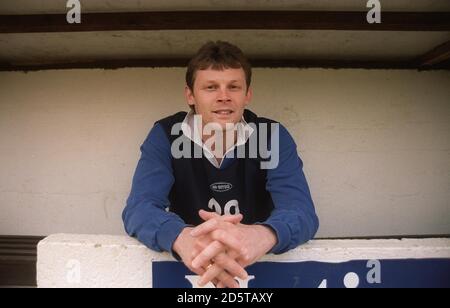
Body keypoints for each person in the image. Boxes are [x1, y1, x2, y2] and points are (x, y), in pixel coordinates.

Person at [122, 41, 319, 288]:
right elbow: (139, 207)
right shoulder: (165, 134)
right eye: (211, 87)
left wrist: (259, 236)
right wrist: (185, 239)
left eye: (234, 87)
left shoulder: (272, 136)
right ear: (190, 95)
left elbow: (301, 212)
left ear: (248, 94)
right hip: (189, 273)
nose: (223, 97)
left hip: (258, 272)